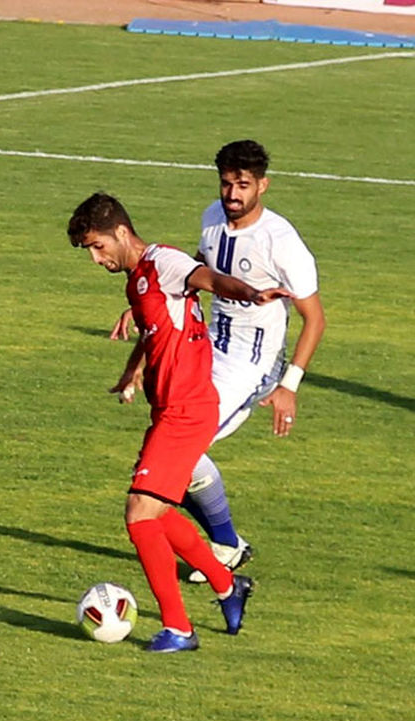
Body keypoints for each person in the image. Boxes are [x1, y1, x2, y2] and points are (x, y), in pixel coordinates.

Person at [68, 192, 291, 652]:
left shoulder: (164, 262)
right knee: (158, 513)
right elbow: (156, 333)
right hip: (170, 410)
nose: (96, 259)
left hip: (188, 411)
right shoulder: (138, 281)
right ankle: (228, 586)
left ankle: (179, 628)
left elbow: (208, 279)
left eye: (98, 247)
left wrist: (250, 294)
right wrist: (132, 371)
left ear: (121, 233)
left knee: (139, 516)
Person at [112, 140, 326, 582]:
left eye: (242, 185)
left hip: (251, 365)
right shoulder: (212, 217)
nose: (232, 194)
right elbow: (196, 270)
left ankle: (227, 546)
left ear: (262, 186)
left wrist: (289, 385)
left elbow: (315, 318)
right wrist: (144, 304)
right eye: (226, 183)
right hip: (207, 348)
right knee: (164, 453)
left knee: (179, 456)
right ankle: (226, 544)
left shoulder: (281, 242)